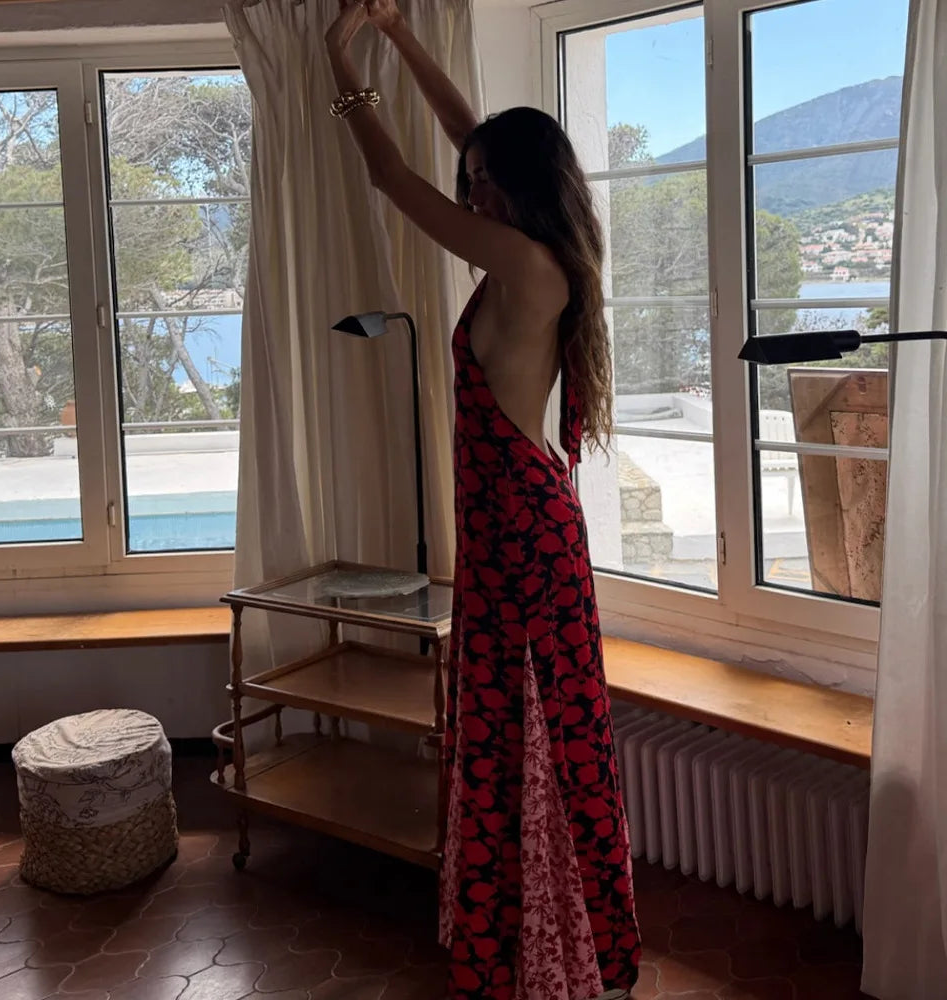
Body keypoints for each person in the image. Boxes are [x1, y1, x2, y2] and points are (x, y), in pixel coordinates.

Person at [325, 2, 641, 997]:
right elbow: (471, 138)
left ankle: (540, 948)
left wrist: (341, 59)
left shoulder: (524, 263)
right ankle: (547, 941)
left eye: (484, 184)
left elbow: (391, 177)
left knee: (524, 740)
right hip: (524, 537)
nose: (473, 195)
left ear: (518, 189)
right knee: (527, 738)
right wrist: (399, 34)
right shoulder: (542, 251)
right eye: (472, 185)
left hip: (523, 547)